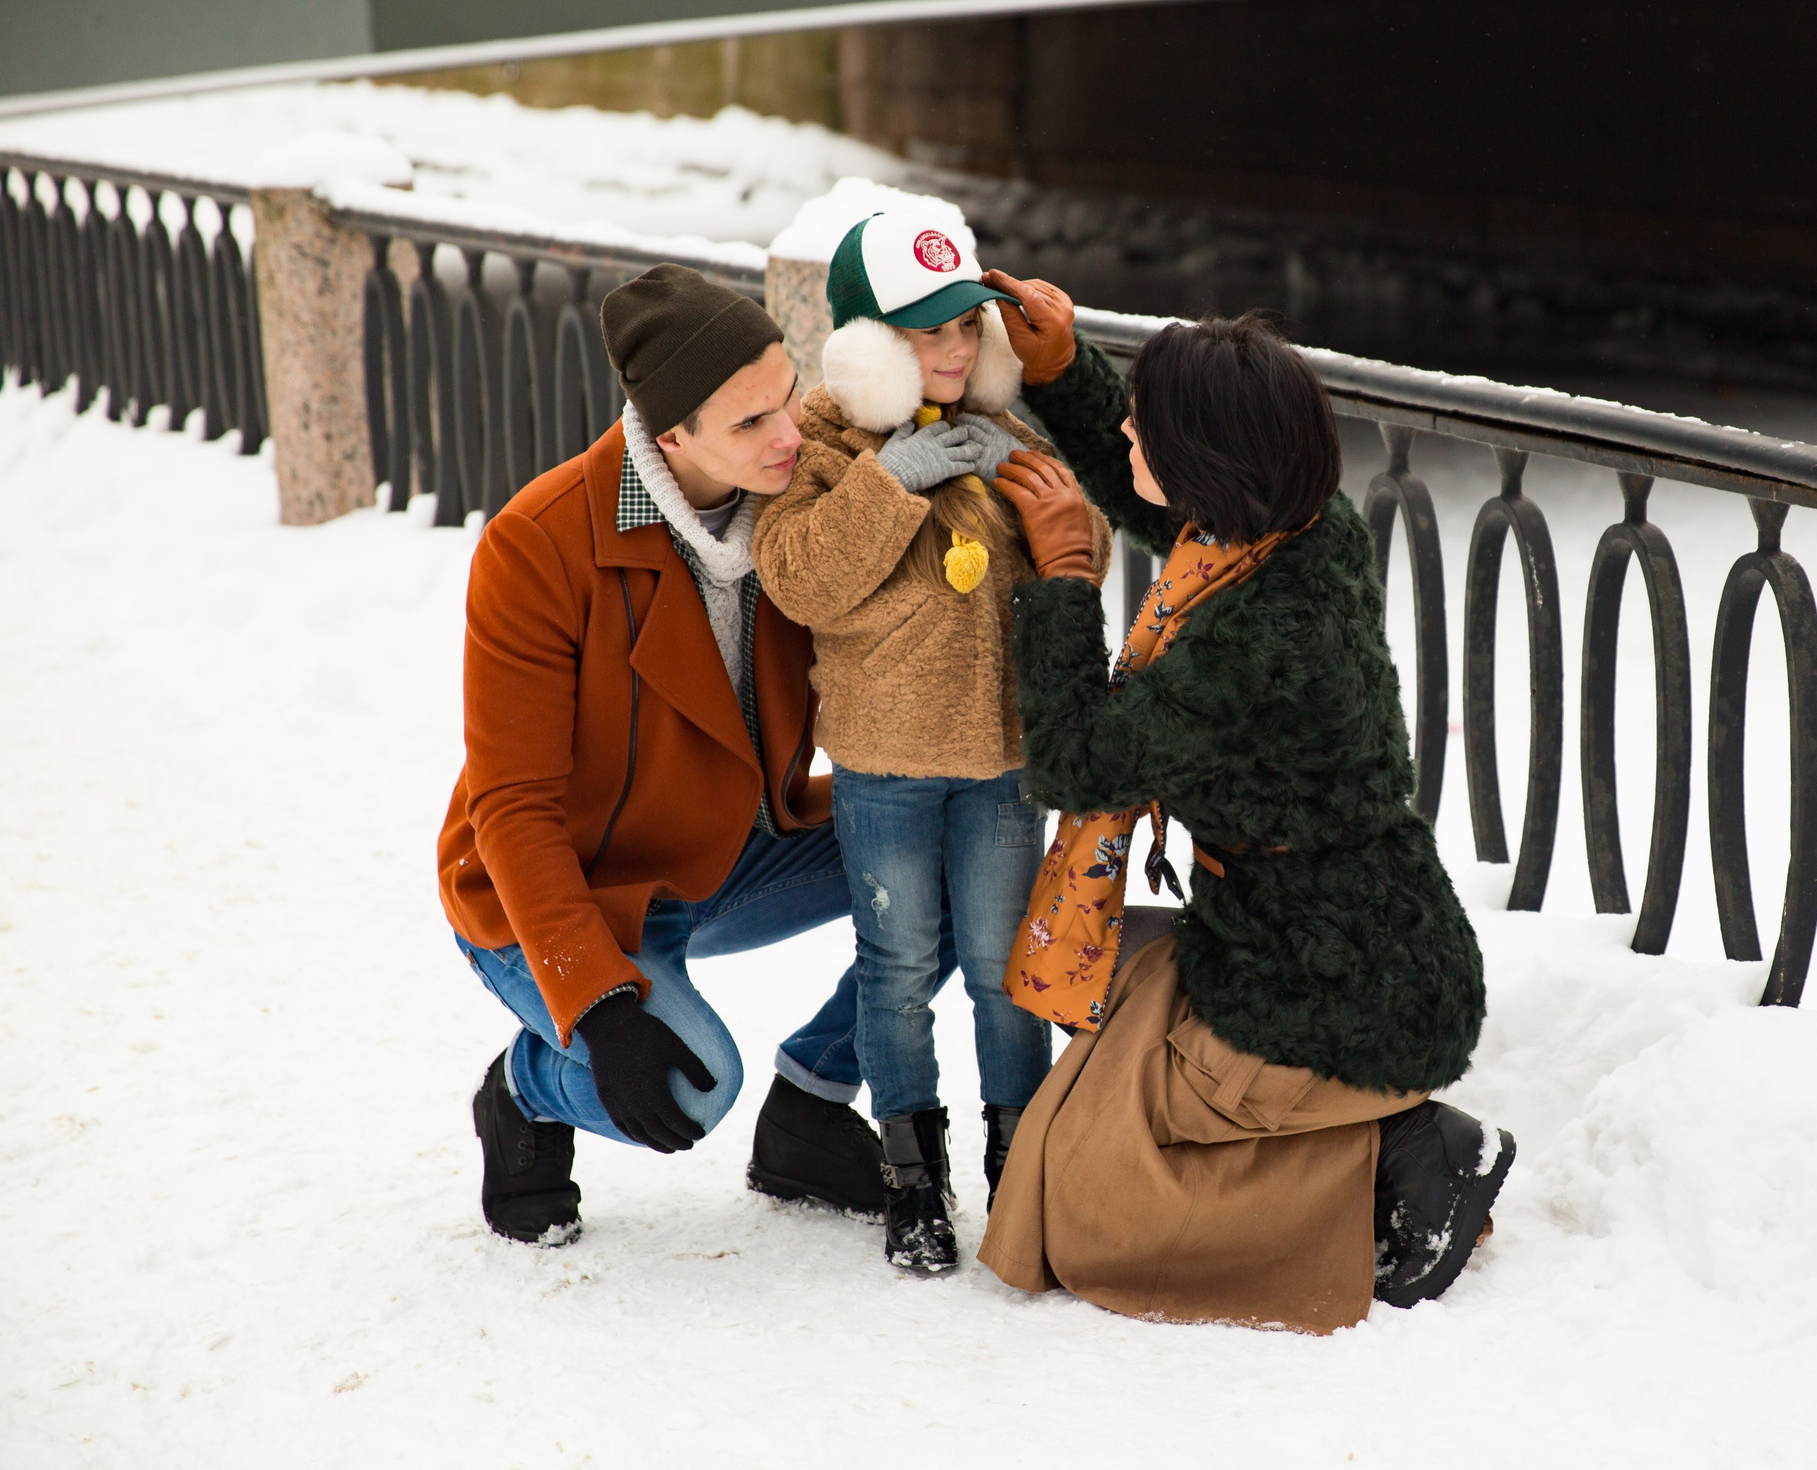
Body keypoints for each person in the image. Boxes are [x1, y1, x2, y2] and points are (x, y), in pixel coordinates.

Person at [977, 292, 1511, 1333]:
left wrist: (1066, 577)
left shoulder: (1262, 638)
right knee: (1079, 1123)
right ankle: (1388, 1147)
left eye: (1143, 422)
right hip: (1316, 929)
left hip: (1336, 981)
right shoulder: (1299, 532)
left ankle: (1408, 1163)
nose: (1124, 430)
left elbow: (1082, 760)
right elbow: (1165, 500)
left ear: (1206, 460)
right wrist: (1058, 375)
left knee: (1085, 1207)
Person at [445, 263, 901, 1245]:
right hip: (566, 897)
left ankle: (814, 1104)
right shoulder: (538, 546)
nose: (788, 436)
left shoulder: (797, 500)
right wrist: (600, 1006)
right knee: (691, 1090)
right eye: (749, 423)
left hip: (733, 855)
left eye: (787, 397)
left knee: (954, 862)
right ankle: (524, 1091)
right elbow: (512, 810)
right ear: (669, 438)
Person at [751, 214, 1112, 1276]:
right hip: (883, 763)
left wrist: (1043, 494)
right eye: (920, 336)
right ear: (864, 340)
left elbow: (1071, 558)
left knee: (1007, 971)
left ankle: (1023, 1167)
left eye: (965, 328)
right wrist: (890, 480)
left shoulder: (1005, 431)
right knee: (897, 968)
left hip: (1000, 761)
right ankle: (913, 1182)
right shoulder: (820, 446)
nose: (952, 354)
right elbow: (801, 579)